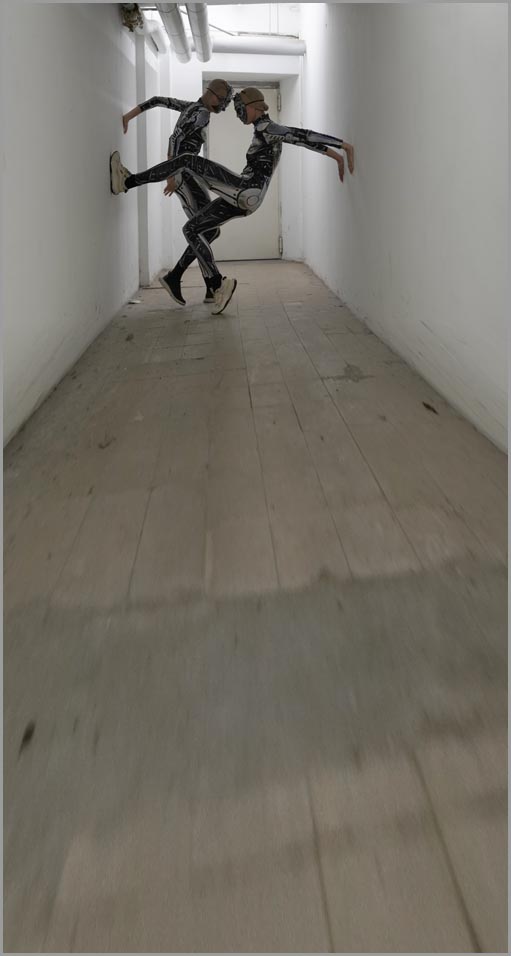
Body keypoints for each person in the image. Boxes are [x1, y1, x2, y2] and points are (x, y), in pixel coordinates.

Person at [110, 88, 355, 315]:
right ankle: (215, 285)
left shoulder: (267, 127)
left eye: (240, 108)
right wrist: (335, 155)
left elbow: (301, 135)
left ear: (255, 106)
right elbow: (301, 139)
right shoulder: (263, 130)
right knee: (193, 229)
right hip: (246, 198)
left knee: (187, 160)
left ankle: (127, 182)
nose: (238, 113)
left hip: (246, 189)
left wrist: (343, 146)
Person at [122, 79, 233, 305]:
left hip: (188, 174)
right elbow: (175, 139)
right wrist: (171, 175)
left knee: (205, 229)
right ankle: (201, 282)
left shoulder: (191, 107)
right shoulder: (202, 113)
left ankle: (203, 286)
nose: (223, 108)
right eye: (223, 102)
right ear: (213, 95)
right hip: (185, 174)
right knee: (208, 229)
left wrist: (128, 117)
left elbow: (158, 100)